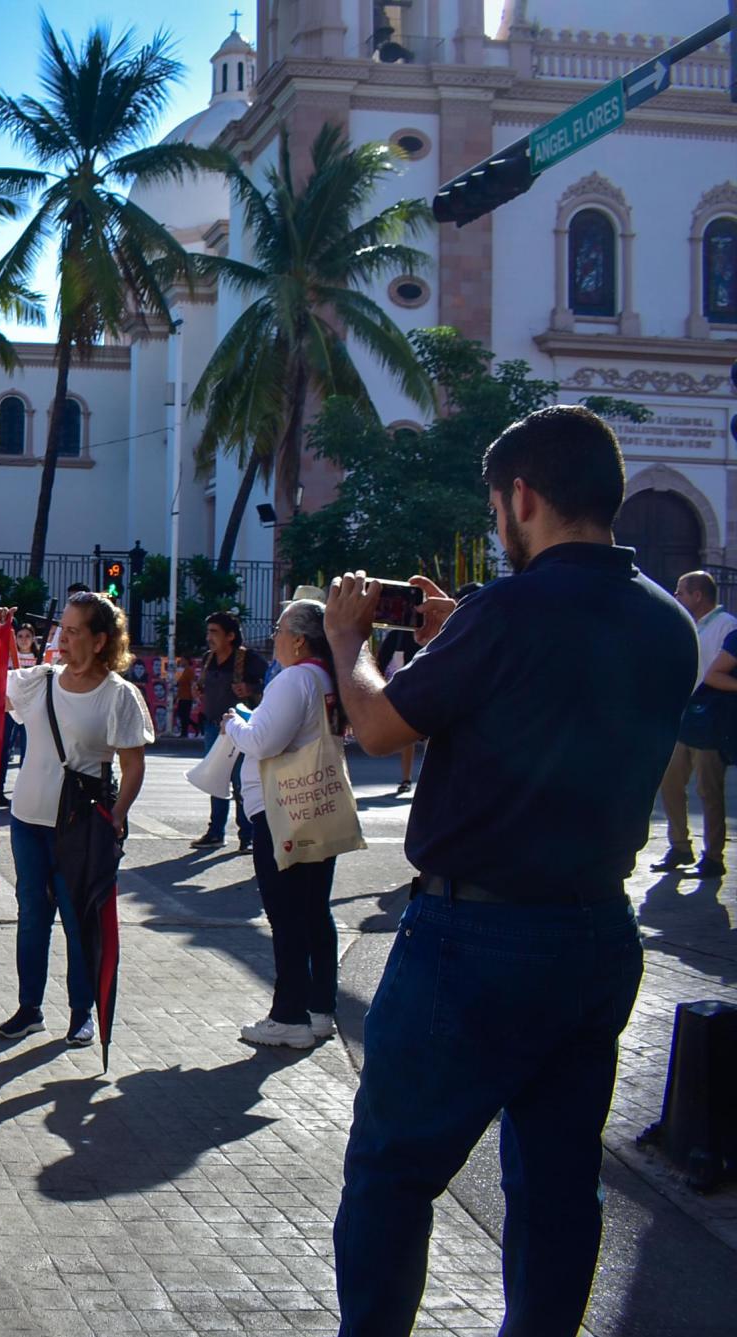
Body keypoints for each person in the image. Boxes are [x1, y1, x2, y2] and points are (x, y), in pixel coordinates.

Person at [321, 404, 696, 1337]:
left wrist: (345, 640)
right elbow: (558, 697)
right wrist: (466, 632)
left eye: (497, 507)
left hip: (474, 938)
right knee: (560, 1187)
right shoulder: (666, 623)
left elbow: (375, 725)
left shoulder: (507, 610)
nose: (497, 524)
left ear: (522, 495)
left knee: (393, 1173)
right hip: (598, 934)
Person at [0, 593, 153, 1047]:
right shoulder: (41, 680)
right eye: (62, 628)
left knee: (79, 921)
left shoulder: (119, 696)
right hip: (27, 821)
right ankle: (29, 1008)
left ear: (101, 641)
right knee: (32, 916)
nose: (62, 638)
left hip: (81, 828)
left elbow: (134, 768)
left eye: (74, 631)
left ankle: (81, 1013)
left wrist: (116, 819)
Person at [220, 599, 343, 1050]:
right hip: (314, 806)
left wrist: (234, 724)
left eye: (277, 629)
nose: (272, 639)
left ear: (297, 639)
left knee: (287, 913)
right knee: (314, 910)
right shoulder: (325, 677)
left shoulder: (295, 678)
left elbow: (264, 740)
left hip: (283, 809)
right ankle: (318, 1008)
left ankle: (289, 1014)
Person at [652, 570, 737, 876]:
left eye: (681, 592)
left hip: (711, 720)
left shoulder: (727, 626)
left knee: (708, 789)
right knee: (670, 781)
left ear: (698, 595)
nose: (676, 597)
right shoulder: (688, 624)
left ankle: (713, 856)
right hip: (683, 716)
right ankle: (679, 846)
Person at [190, 611, 264, 852]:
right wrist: (198, 690)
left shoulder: (248, 659)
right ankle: (215, 833)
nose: (209, 637)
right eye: (208, 631)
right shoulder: (209, 658)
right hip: (214, 727)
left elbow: (270, 682)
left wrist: (250, 688)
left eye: (215, 632)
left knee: (241, 782)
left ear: (230, 636)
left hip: (239, 728)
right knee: (216, 779)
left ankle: (248, 835)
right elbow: (205, 684)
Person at [0, 623, 40, 802]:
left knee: (29, 750)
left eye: (27, 636)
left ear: (33, 639)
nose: (24, 640)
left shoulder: (40, 658)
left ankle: (25, 794)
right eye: (20, 636)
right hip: (9, 708)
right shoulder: (7, 657)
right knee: (4, 749)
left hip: (30, 709)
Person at [376, 626, 419, 794]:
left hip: (406, 687)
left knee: (410, 737)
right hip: (415, 685)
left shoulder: (396, 632)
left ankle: (407, 779)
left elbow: (382, 660)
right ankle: (408, 779)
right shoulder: (404, 632)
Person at [173, 656, 197, 738]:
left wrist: (194, 696)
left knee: (184, 715)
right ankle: (194, 726)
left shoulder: (189, 670)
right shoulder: (181, 671)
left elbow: (192, 683)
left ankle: (184, 733)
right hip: (181, 696)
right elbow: (177, 683)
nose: (181, 661)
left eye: (183, 660)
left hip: (187, 697)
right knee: (181, 714)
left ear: (187, 661)